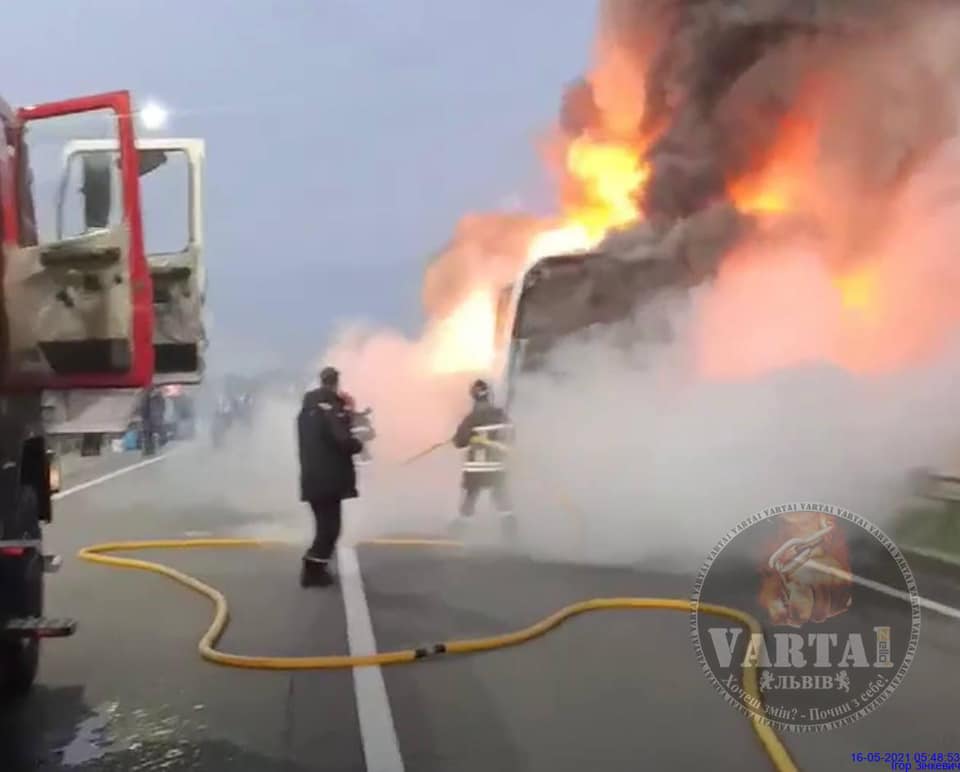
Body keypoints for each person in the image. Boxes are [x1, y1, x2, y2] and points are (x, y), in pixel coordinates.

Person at [297, 366, 363, 587]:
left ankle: (315, 568)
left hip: (312, 478)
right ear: (335, 383)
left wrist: (342, 409)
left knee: (324, 526)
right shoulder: (330, 410)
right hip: (330, 479)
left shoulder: (307, 411)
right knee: (330, 528)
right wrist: (356, 439)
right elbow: (343, 440)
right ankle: (312, 570)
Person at [451, 379, 516, 540]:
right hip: (497, 468)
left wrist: (462, 436)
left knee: (470, 499)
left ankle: (459, 533)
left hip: (476, 470)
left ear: (473, 396)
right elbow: (511, 437)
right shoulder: (501, 415)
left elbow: (459, 442)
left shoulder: (471, 419)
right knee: (501, 500)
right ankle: (511, 533)